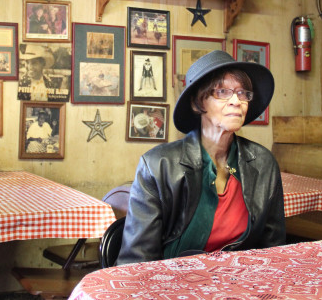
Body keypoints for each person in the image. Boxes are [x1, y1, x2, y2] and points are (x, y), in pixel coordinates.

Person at [117, 50, 285, 265]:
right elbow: (135, 262)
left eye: (243, 93)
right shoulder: (157, 166)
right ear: (199, 102)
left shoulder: (264, 163)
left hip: (241, 285)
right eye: (223, 91)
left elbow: (275, 251)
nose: (237, 101)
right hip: (171, 285)